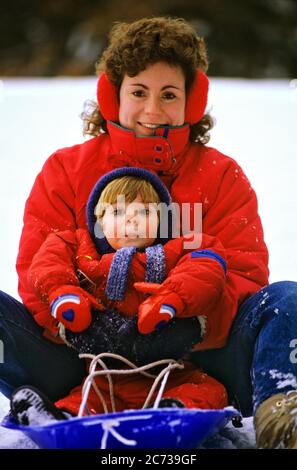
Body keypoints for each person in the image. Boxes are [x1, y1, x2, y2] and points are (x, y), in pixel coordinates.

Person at [0, 16, 296, 448]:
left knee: (285, 300)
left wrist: (185, 325)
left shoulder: (222, 177)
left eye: (169, 94)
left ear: (191, 104)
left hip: (200, 364)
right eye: (138, 92)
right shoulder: (65, 170)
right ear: (113, 94)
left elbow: (246, 275)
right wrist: (86, 326)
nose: (153, 110)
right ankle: (63, 405)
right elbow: (36, 272)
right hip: (80, 362)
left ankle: (280, 420)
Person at [10, 167, 228, 423]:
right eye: (118, 211)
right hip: (104, 376)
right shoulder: (81, 249)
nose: (131, 220)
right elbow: (49, 263)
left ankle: (173, 411)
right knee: (84, 398)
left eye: (145, 212)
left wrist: (171, 300)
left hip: (169, 373)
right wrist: (65, 295)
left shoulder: (176, 251)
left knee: (209, 390)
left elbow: (204, 267)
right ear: (99, 221)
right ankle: (59, 418)